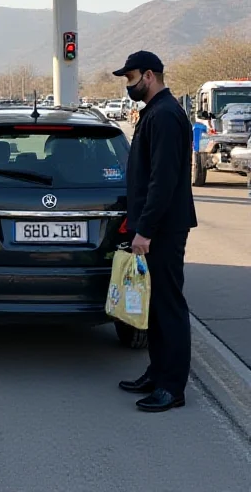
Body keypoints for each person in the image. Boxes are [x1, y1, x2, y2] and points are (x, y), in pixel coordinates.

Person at [112, 51, 197, 413]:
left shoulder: (164, 115)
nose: (128, 85)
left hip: (162, 228)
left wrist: (144, 230)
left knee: (169, 307)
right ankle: (157, 372)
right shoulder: (156, 112)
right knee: (156, 308)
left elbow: (163, 180)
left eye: (131, 78)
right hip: (155, 226)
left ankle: (172, 387)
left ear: (149, 75)